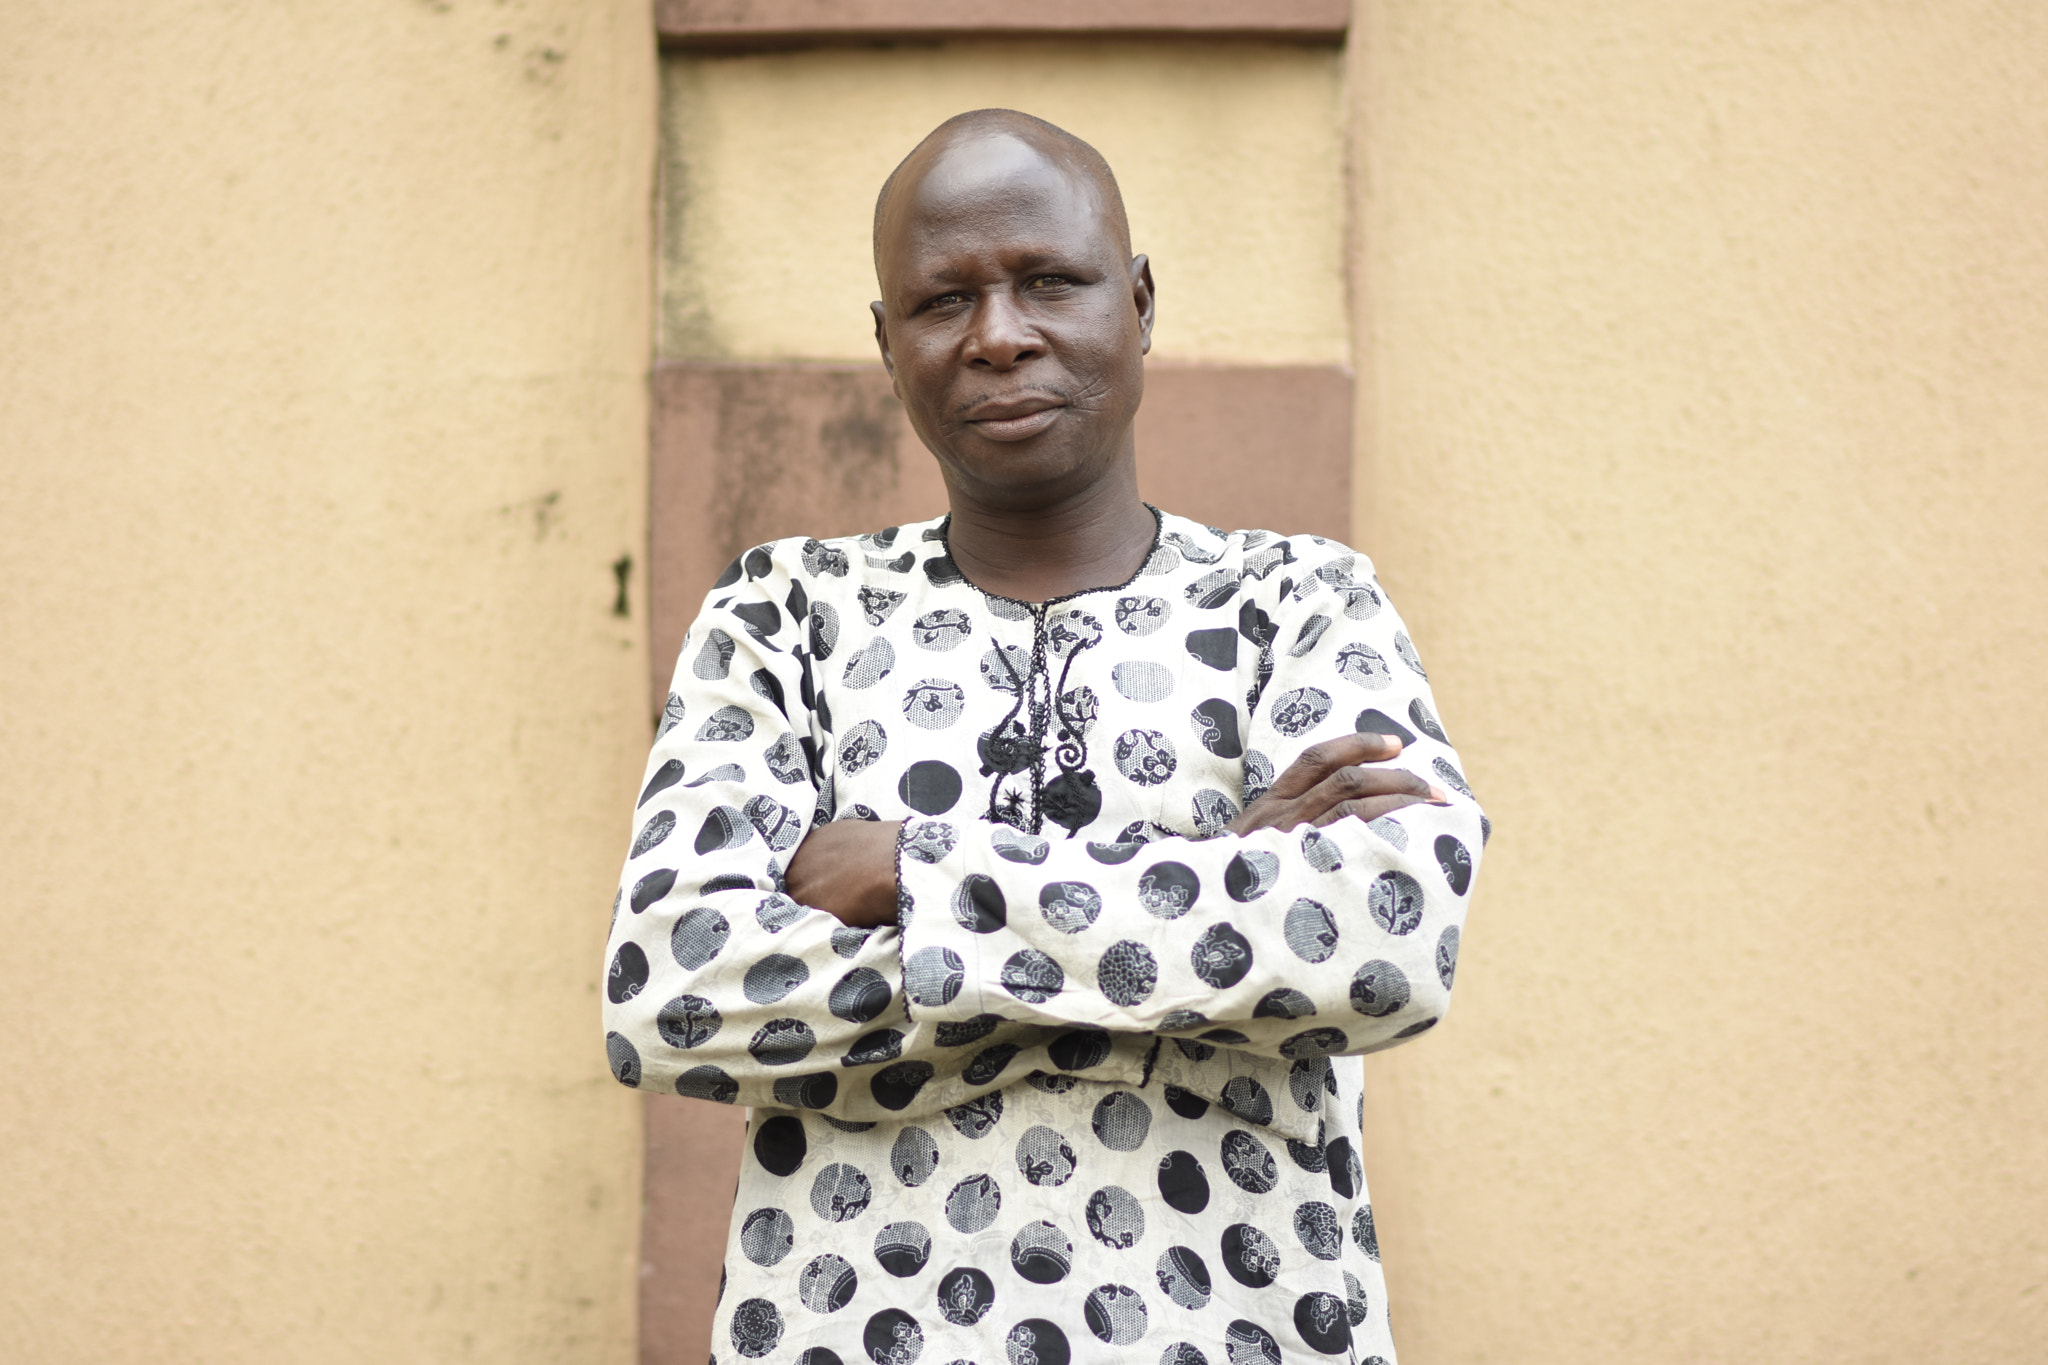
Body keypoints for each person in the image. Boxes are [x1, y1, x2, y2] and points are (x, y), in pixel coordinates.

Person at [603, 109, 1486, 1365]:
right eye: (940, 301)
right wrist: (1211, 899)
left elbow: (1386, 938)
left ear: (1136, 302)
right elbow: (674, 992)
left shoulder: (1298, 601)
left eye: (1050, 282)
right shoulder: (784, 612)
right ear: (885, 344)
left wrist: (918, 878)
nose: (999, 335)